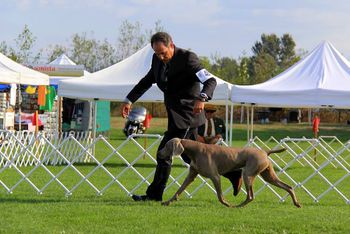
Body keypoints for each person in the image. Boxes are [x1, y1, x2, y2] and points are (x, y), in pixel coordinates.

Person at [121, 32, 217, 201]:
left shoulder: (188, 58)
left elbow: (210, 81)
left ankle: (154, 195)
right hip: (175, 118)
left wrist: (202, 98)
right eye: (157, 53)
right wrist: (129, 100)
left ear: (171, 45)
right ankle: (233, 172)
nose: (160, 56)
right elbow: (146, 81)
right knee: (192, 158)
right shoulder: (157, 60)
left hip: (189, 116)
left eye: (163, 52)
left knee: (163, 153)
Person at [197, 104, 242, 196]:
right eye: (207, 111)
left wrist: (221, 136)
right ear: (204, 111)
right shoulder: (198, 120)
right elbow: (193, 132)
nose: (209, 113)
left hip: (215, 143)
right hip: (201, 142)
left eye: (212, 112)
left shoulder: (219, 121)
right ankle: (234, 175)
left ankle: (234, 175)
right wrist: (197, 136)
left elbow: (225, 133)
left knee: (216, 141)